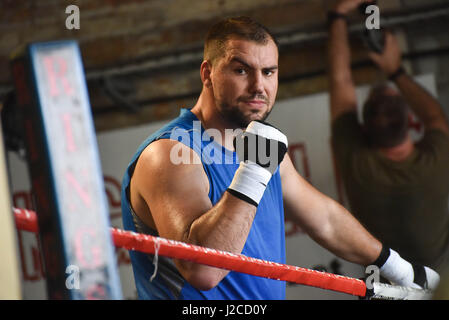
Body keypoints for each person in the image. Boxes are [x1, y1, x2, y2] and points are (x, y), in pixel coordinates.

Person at [121, 16, 439, 300]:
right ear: (208, 73)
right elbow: (203, 271)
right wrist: (254, 172)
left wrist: (402, 270)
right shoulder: (170, 154)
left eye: (269, 72)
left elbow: (325, 220)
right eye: (241, 69)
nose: (259, 86)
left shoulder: (260, 145)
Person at [328, 0, 449, 271]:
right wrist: (395, 70)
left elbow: (340, 82)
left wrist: (339, 12)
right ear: (409, 122)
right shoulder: (435, 160)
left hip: (389, 287)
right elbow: (435, 117)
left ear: (365, 130)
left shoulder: (360, 162)